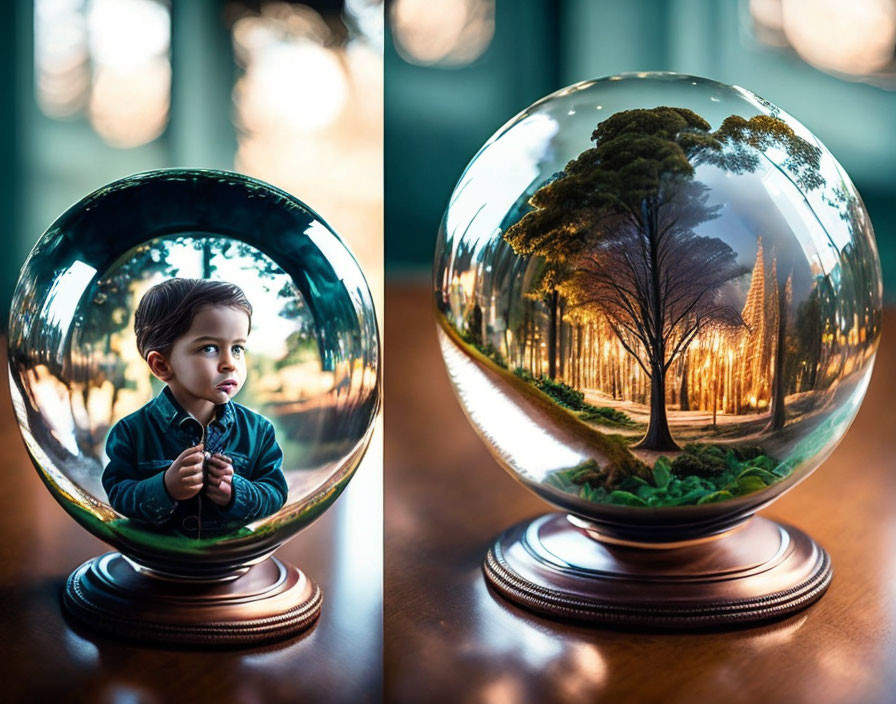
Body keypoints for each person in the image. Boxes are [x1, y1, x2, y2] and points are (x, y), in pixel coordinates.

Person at [102, 278, 288, 538]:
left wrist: (235, 491)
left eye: (237, 348)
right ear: (161, 365)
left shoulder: (260, 432)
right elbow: (119, 494)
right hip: (158, 561)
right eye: (209, 348)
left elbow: (275, 493)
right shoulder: (131, 432)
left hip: (228, 559)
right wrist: (165, 487)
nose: (230, 364)